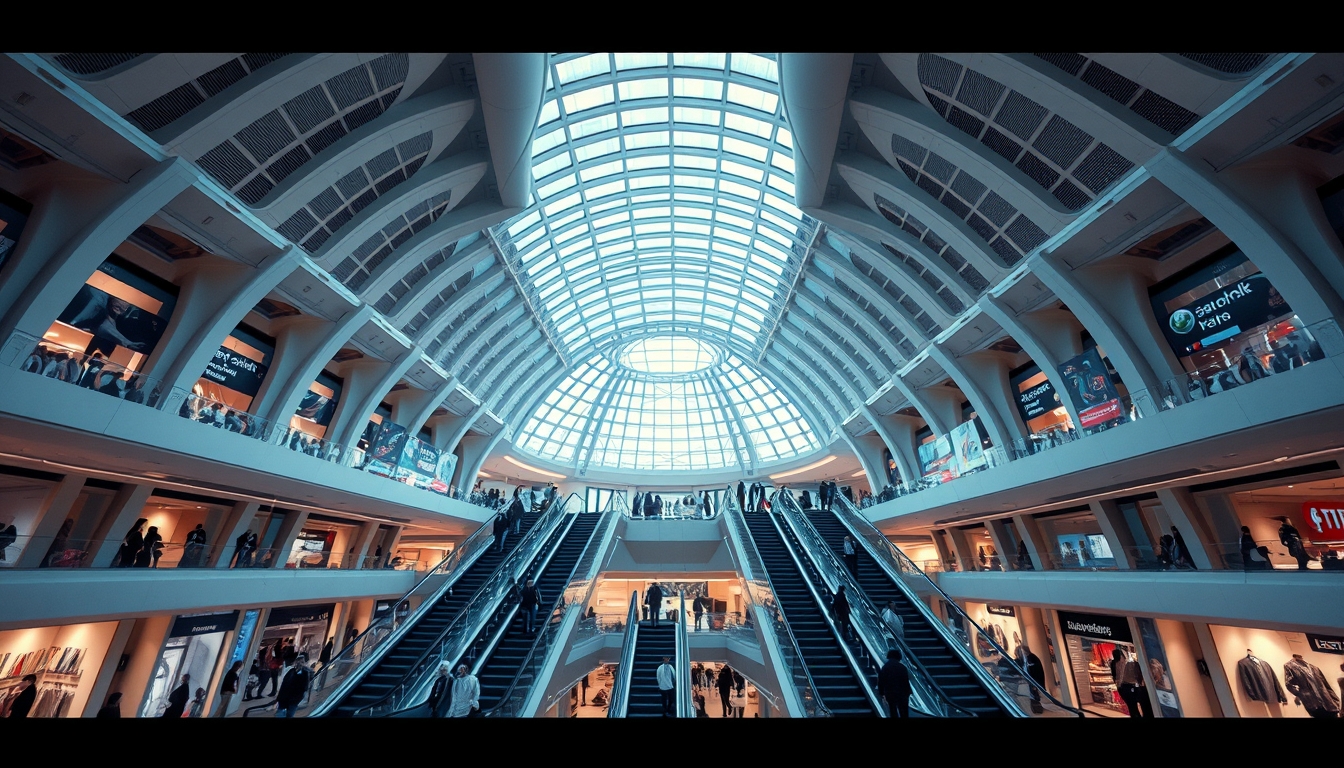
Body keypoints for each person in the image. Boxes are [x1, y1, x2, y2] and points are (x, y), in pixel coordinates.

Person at [275, 653, 311, 717]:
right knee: (280, 714)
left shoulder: (305, 673)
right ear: (295, 662)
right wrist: (279, 698)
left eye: (302, 662)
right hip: (284, 699)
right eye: (298, 661)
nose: (299, 663)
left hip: (294, 700)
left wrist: (298, 698)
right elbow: (284, 685)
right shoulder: (291, 671)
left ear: (304, 663)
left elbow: (305, 687)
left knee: (289, 714)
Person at [878, 648, 911, 718]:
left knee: (893, 710)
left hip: (890, 693)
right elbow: (906, 681)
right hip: (902, 693)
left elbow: (881, 681)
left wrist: (881, 692)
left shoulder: (885, 667)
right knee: (904, 712)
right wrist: (908, 692)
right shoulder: (902, 667)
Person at [1019, 645, 1046, 714]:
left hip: (1034, 680)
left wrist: (1034, 682)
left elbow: (1035, 670)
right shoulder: (1028, 657)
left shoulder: (1031, 657)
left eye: (1022, 651)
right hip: (1032, 680)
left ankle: (1038, 708)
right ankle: (1036, 708)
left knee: (1035, 694)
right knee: (1033, 694)